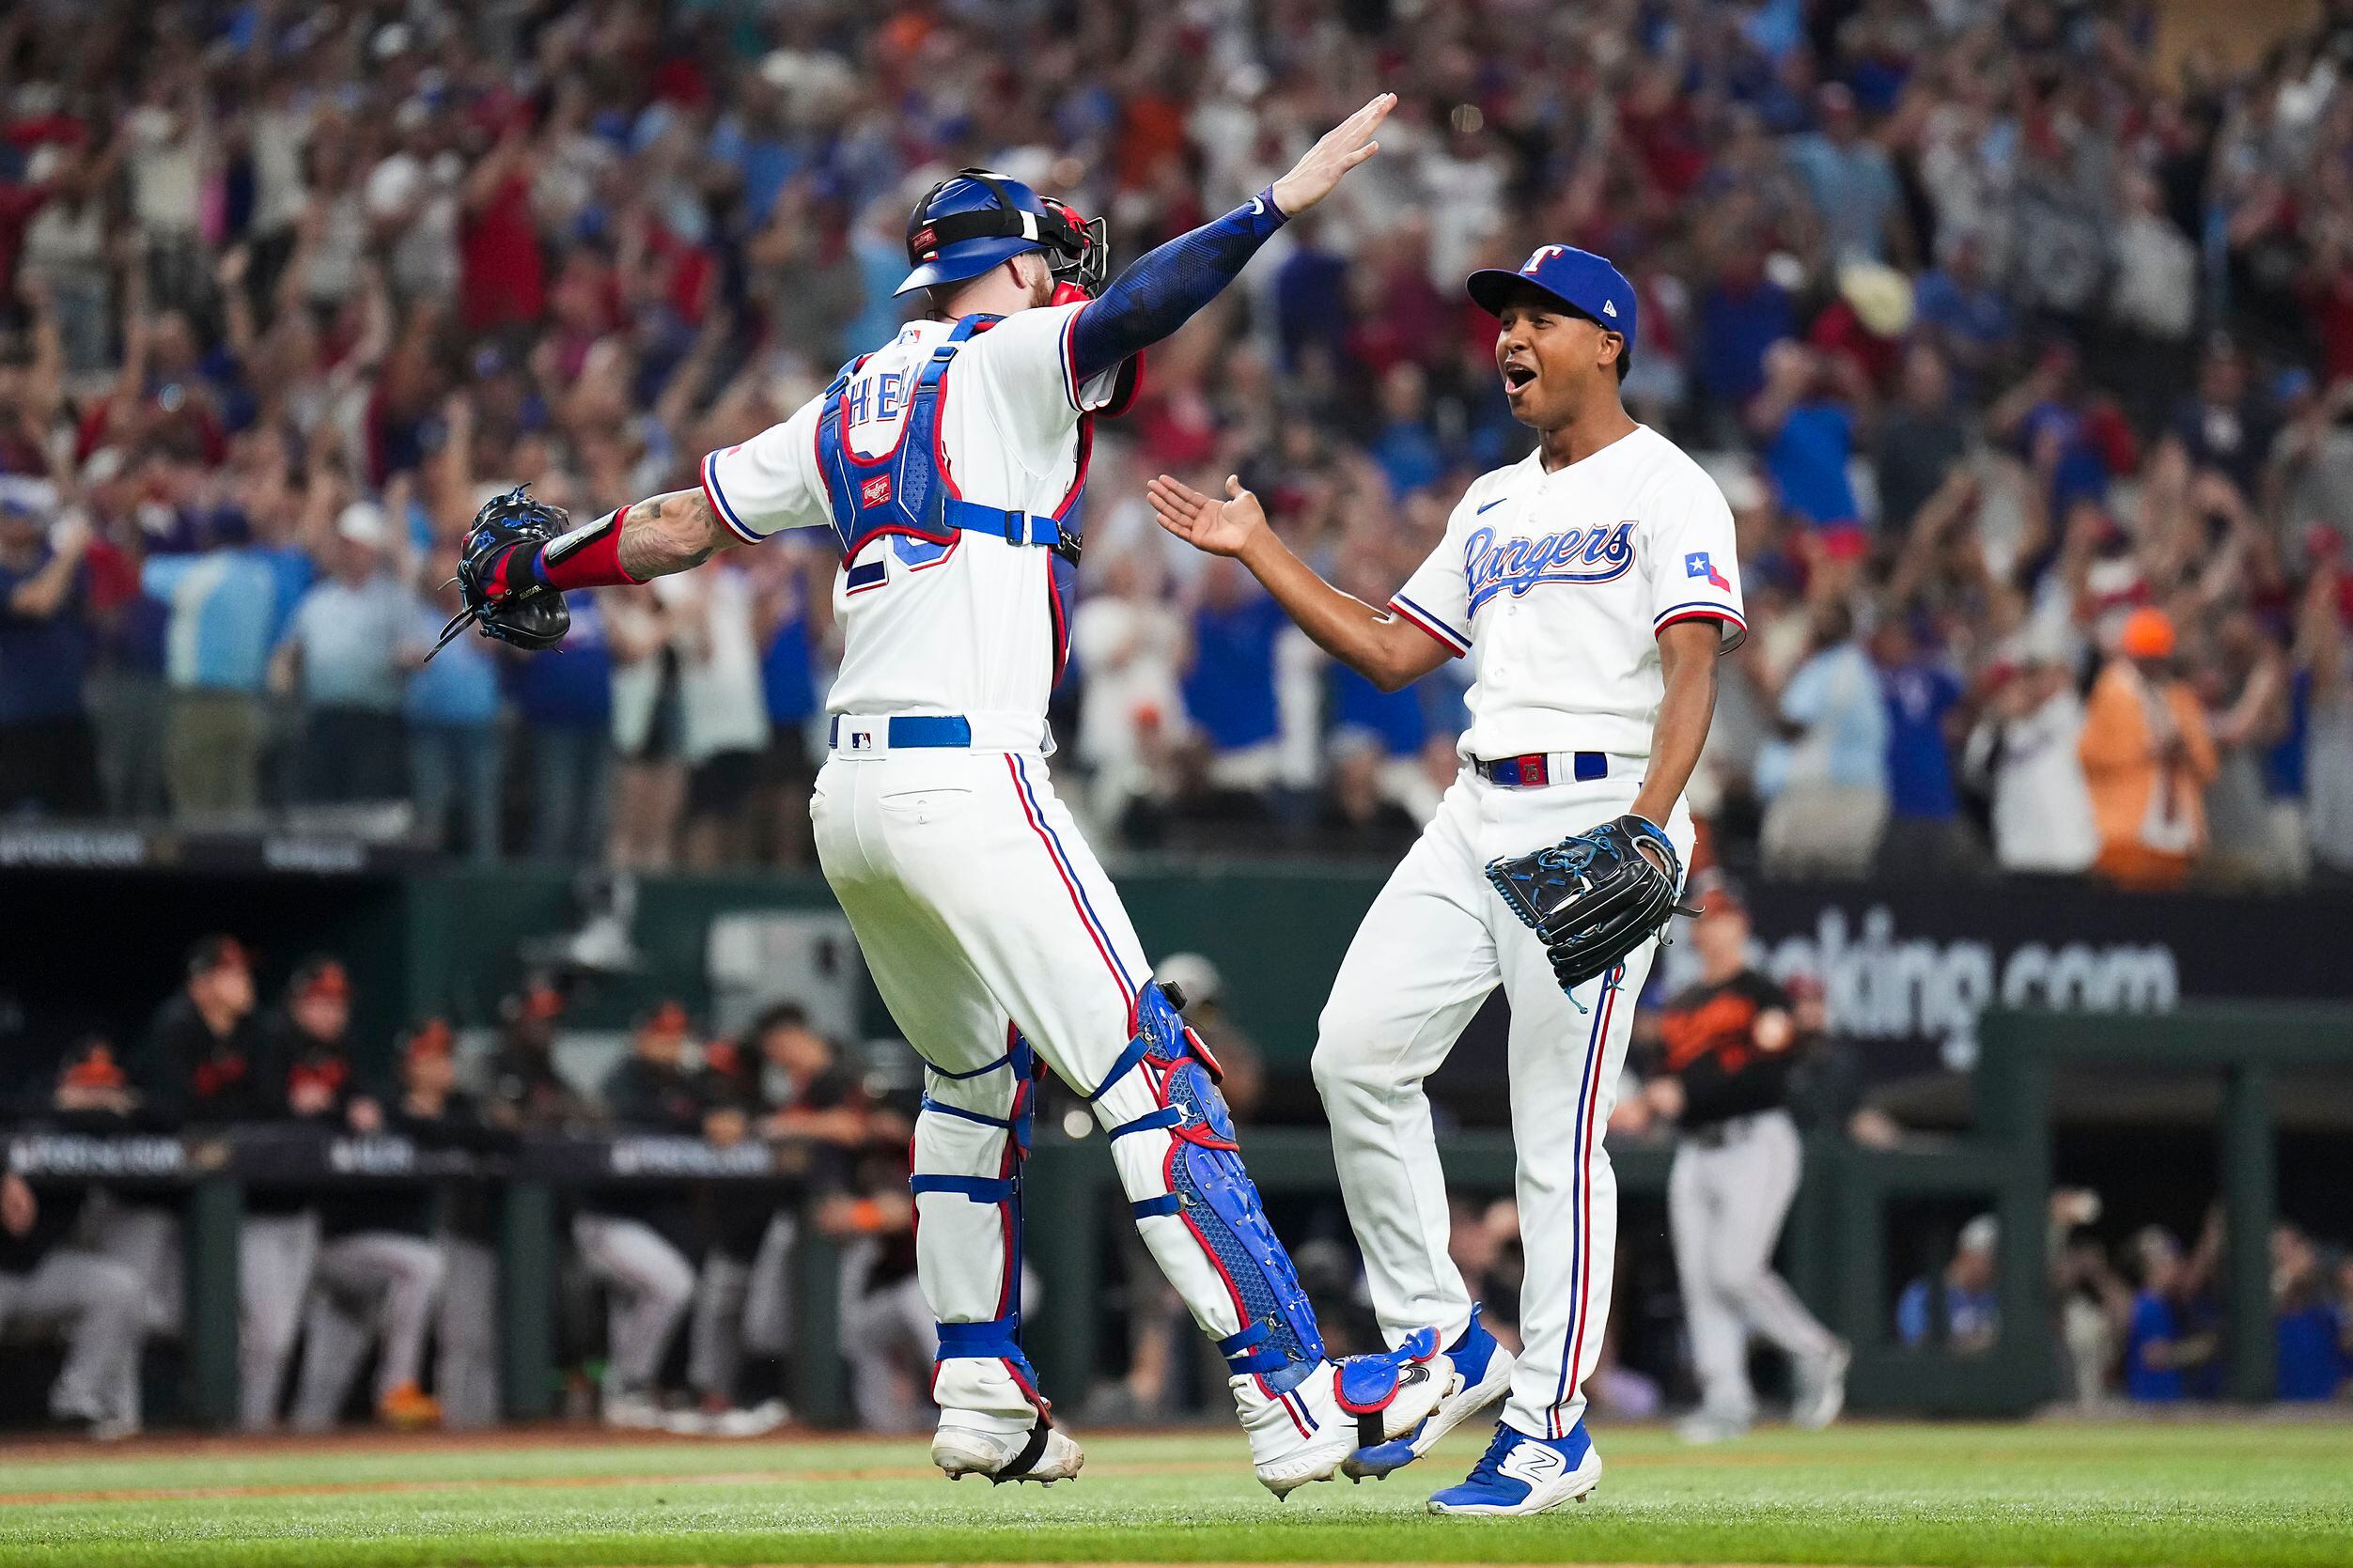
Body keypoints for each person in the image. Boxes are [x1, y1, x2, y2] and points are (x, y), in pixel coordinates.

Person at [459, 96, 1448, 1494]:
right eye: (1053, 259)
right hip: (969, 777)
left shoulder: (851, 394)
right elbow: (1144, 308)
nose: (1069, 278)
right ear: (1021, 266)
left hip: (851, 803)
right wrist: (1276, 203)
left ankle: (982, 1383)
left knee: (972, 1082)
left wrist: (539, 567)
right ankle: (1291, 1393)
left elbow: (679, 525)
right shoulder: (1006, 359)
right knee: (1150, 1073)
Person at [1148, 241, 1742, 1512]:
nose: (1511, 339)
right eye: (1502, 320)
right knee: (1353, 1051)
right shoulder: (1488, 502)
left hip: (1598, 810)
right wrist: (1259, 546)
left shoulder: (1672, 486)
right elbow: (1385, 648)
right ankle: (1449, 1339)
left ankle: (1553, 1424)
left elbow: (1694, 669)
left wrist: (1649, 824)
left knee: (1555, 1134)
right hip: (1477, 806)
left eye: (1540, 318)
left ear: (1609, 342)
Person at [1644, 881, 1847, 1441]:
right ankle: (1726, 1399)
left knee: (1734, 1269)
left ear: (1741, 926)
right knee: (1700, 1281)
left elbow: (1766, 1071)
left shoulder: (1763, 994)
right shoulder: (1681, 1004)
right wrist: (1653, 1101)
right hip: (1695, 1148)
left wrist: (1687, 1094)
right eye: (1703, 919)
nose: (1710, 927)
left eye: (1721, 917)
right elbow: (1668, 1074)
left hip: (1755, 1139)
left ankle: (1816, 1349)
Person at [243, 955, 381, 1430]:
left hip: (303, 1213)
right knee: (270, 1333)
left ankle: (263, 1430)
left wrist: (337, 1109)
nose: (331, 1014)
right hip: (251, 1212)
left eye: (337, 1005)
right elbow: (257, 1109)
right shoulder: (270, 1039)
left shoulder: (343, 1048)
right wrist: (300, 1108)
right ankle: (245, 1429)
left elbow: (364, 1106)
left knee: (283, 1331)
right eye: (320, 1004)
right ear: (297, 1004)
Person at [577, 1001, 711, 1429]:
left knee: (636, 1304)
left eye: (677, 1036)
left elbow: (718, 1112)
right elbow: (628, 1118)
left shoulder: (689, 1083)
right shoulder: (622, 1079)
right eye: (661, 1036)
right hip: (607, 1219)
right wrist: (697, 1126)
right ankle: (629, 1385)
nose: (671, 1045)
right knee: (671, 1285)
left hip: (650, 1223)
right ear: (641, 1038)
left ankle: (622, 1399)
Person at [0, 1136, 149, 1439]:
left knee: (118, 1287)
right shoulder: (21, 1118)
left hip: (34, 1270)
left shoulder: (83, 1132)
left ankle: (76, 1404)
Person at [2080, 607, 2219, 890]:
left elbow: (2208, 767)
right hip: (2125, 832)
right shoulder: (2113, 689)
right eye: (2145, 654)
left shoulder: (2180, 697)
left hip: (2176, 828)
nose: (2152, 662)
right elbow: (2089, 755)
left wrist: (2182, 752)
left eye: (2157, 655)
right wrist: (2149, 752)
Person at [1895, 1214, 2001, 1354]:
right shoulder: (1921, 1294)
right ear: (1966, 1253)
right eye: (1988, 1258)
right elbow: (1918, 1344)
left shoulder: (1998, 1297)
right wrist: (1976, 1343)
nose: (1994, 1267)